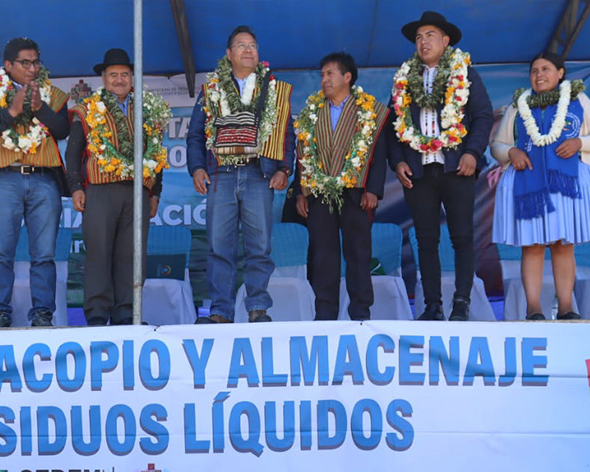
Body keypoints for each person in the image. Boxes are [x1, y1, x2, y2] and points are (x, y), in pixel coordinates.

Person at [388, 11, 493, 322]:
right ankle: (432, 305)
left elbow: (484, 116)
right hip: (419, 172)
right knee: (426, 239)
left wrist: (472, 153)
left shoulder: (465, 73)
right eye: (419, 37)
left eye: (429, 35)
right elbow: (394, 125)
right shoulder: (404, 78)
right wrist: (397, 162)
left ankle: (461, 302)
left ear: (445, 41)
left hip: (456, 167)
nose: (423, 42)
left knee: (462, 237)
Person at [187, 25, 296, 324]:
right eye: (241, 45)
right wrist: (197, 167)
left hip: (259, 174)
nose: (248, 50)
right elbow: (195, 134)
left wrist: (285, 168)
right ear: (228, 54)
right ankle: (220, 310)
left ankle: (257, 308)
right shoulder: (212, 88)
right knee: (219, 245)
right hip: (220, 174)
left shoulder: (271, 89)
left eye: (252, 45)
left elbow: (286, 133)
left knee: (259, 246)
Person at [491, 53, 590, 320]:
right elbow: (497, 145)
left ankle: (566, 307)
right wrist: (511, 152)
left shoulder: (578, 100)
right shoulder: (518, 105)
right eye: (534, 71)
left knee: (562, 244)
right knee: (532, 245)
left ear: (560, 73)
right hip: (527, 182)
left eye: (546, 69)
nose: (539, 75)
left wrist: (580, 143)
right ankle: (533, 309)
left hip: (564, 183)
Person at [0, 37, 70, 328]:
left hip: (44, 180)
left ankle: (42, 314)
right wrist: (11, 111)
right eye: (24, 63)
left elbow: (63, 129)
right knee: (1, 251)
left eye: (36, 61)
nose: (31, 68)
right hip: (5, 179)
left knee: (44, 253)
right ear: (8, 65)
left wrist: (40, 108)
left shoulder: (54, 94)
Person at [66, 48, 169, 326]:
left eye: (124, 74)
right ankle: (98, 315)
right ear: (103, 78)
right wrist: (75, 186)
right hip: (100, 191)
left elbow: (157, 154)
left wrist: (155, 193)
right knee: (98, 253)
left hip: (138, 192)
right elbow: (73, 152)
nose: (120, 79)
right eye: (114, 75)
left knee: (132, 256)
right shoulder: (87, 109)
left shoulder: (147, 111)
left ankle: (127, 314)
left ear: (132, 78)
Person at [293, 52, 389, 321]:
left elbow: (378, 153)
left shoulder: (369, 111)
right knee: (323, 255)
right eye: (322, 75)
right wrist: (301, 192)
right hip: (320, 193)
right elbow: (302, 154)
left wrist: (373, 189)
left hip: (356, 193)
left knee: (358, 253)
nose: (324, 79)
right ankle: (325, 314)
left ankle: (360, 313)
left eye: (330, 74)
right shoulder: (312, 112)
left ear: (347, 77)